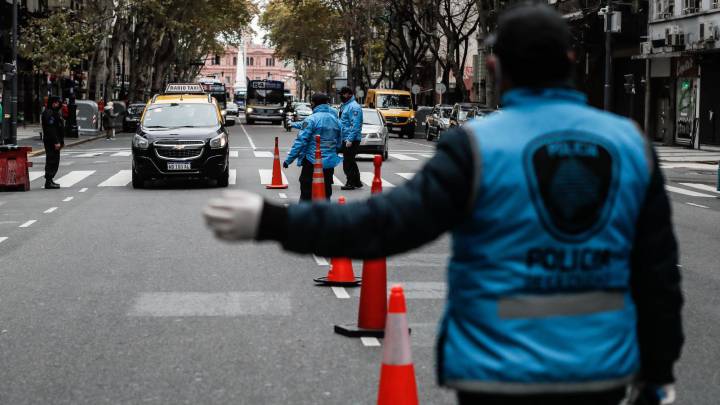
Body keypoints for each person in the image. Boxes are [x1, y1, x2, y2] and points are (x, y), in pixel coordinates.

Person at [203, 5, 682, 405]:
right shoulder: (630, 145)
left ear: (494, 66)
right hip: (599, 370)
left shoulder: (477, 146)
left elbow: (387, 224)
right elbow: (658, 274)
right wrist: (658, 373)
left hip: (495, 369)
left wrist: (274, 222)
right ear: (572, 60)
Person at [282, 92, 342, 201]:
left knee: (306, 192)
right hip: (329, 163)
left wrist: (289, 160)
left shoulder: (311, 119)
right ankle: (325, 210)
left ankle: (305, 211)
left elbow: (300, 141)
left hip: (311, 161)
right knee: (326, 191)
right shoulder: (336, 121)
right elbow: (339, 143)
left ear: (313, 104)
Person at [338, 86, 363, 190]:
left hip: (351, 139)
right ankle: (357, 181)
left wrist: (350, 139)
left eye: (342, 94)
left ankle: (350, 182)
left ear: (348, 94)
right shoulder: (346, 106)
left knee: (347, 162)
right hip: (346, 137)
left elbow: (355, 125)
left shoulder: (354, 107)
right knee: (351, 161)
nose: (341, 96)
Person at [41, 96, 64, 189]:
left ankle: (50, 180)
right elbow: (51, 129)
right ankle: (48, 181)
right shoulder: (49, 113)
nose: (58, 104)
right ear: (53, 103)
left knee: (54, 160)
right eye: (57, 102)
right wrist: (56, 142)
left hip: (54, 140)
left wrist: (60, 141)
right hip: (51, 141)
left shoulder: (54, 112)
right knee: (52, 159)